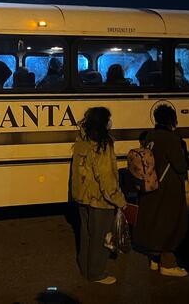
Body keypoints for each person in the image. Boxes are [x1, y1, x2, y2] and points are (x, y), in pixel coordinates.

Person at [71, 107, 127, 285]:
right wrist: (119, 200)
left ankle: (85, 267)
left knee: (86, 234)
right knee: (100, 238)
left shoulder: (82, 140)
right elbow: (106, 178)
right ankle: (96, 273)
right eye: (108, 119)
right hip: (99, 199)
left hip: (83, 197)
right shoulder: (102, 144)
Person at [133, 104, 189, 277]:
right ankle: (168, 264)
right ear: (171, 120)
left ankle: (154, 261)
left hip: (152, 186)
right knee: (170, 224)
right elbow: (180, 166)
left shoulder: (150, 135)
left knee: (154, 223)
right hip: (168, 189)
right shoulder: (172, 139)